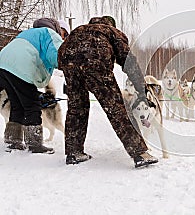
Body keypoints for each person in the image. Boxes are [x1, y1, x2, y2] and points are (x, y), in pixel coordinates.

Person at [58, 15, 158, 168]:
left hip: (67, 60)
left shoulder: (79, 30)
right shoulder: (112, 31)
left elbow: (63, 48)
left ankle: (74, 152)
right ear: (112, 24)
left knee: (76, 108)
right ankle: (140, 153)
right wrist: (141, 88)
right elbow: (128, 62)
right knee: (117, 109)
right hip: (95, 62)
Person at [0, 18, 63, 153]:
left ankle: (13, 140)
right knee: (32, 105)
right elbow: (56, 55)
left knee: (17, 104)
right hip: (20, 68)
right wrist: (67, 66)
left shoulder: (27, 33)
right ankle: (34, 144)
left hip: (2, 65)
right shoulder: (49, 33)